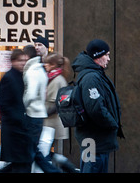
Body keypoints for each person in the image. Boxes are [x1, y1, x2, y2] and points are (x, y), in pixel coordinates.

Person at [72, 39, 124, 173]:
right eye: (106, 55)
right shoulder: (91, 78)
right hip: (94, 140)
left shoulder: (95, 75)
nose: (109, 59)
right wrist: (112, 123)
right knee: (92, 169)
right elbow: (95, 109)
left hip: (96, 139)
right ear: (97, 56)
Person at [23, 45, 60, 173]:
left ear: (26, 57)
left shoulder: (33, 70)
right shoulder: (40, 70)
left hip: (33, 114)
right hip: (39, 115)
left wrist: (23, 107)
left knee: (31, 151)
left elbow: (31, 94)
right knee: (33, 150)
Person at [0, 49, 32, 173]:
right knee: (19, 164)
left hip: (18, 127)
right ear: (13, 61)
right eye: (20, 60)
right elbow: (3, 103)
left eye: (25, 60)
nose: (23, 63)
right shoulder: (9, 77)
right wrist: (18, 118)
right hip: (13, 128)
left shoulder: (19, 76)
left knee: (20, 163)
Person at [43, 52, 78, 173]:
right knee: (47, 151)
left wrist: (43, 113)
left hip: (53, 121)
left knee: (49, 151)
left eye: (47, 63)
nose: (45, 65)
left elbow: (59, 103)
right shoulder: (52, 77)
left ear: (53, 65)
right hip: (49, 121)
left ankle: (67, 168)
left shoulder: (58, 80)